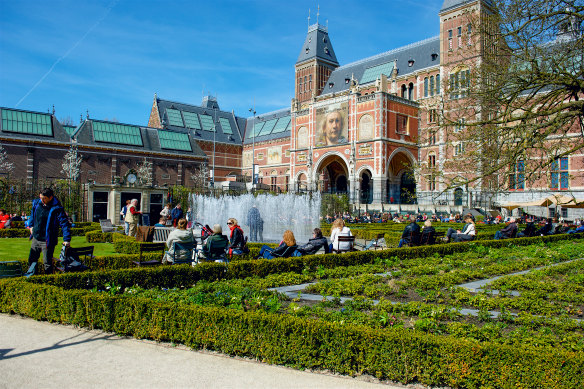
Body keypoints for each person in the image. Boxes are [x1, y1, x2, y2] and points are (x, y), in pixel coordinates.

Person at [25, 188, 71, 275]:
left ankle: (49, 279)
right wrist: (31, 226)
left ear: (51, 197)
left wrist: (67, 239)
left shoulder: (57, 208)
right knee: (32, 260)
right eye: (40, 198)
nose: (42, 200)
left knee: (47, 263)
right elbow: (32, 216)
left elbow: (64, 224)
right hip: (36, 238)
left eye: (44, 198)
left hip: (47, 240)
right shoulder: (37, 204)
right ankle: (32, 277)